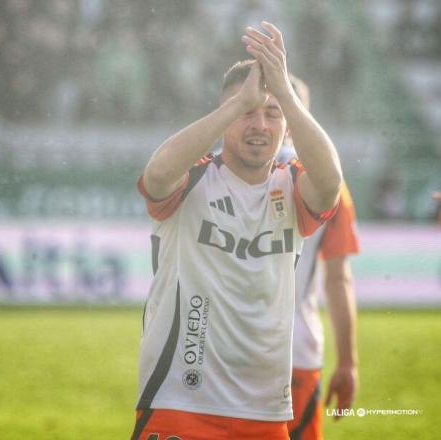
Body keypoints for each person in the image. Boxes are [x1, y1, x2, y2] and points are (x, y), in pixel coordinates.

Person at [131, 21, 343, 440]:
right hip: (178, 402)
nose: (259, 124)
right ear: (222, 116)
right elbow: (156, 176)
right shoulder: (192, 181)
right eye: (246, 112)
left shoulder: (292, 187)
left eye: (272, 114)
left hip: (265, 413)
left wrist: (283, 91)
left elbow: (332, 180)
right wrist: (238, 102)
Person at [278, 77, 360, 440]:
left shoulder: (222, 169)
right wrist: (348, 362)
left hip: (222, 351)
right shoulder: (332, 186)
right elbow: (338, 279)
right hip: (296, 349)